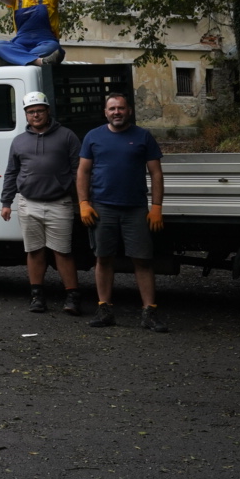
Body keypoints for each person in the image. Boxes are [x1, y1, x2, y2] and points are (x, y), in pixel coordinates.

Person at [77, 93, 167, 332]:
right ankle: (105, 309)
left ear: (129, 111)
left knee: (143, 260)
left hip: (135, 209)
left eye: (121, 108)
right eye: (112, 108)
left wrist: (157, 206)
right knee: (103, 259)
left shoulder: (142, 136)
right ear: (105, 112)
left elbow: (156, 173)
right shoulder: (93, 137)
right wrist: (84, 202)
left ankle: (149, 312)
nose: (117, 112)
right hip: (102, 208)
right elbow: (83, 172)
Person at [1, 92, 84, 314]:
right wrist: (6, 202)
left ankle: (72, 297)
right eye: (31, 111)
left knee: (63, 252)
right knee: (34, 251)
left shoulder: (67, 136)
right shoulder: (19, 141)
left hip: (60, 203)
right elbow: (11, 172)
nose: (35, 115)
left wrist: (83, 201)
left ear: (48, 111)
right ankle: (37, 296)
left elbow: (79, 171)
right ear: (26, 115)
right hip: (28, 203)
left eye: (39, 110)